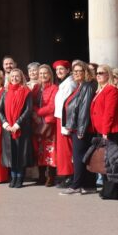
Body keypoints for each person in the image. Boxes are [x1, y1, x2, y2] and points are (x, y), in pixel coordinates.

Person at [90, 64, 118, 199]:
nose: (98, 75)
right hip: (102, 130)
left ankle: (113, 191)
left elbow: (109, 112)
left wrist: (105, 131)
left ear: (108, 75)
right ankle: (107, 189)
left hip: (110, 130)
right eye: (97, 73)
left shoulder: (111, 89)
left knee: (113, 161)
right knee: (105, 161)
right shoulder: (100, 90)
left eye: (102, 72)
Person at [61, 60, 96, 195]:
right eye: (74, 71)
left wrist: (81, 130)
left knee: (78, 157)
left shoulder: (86, 86)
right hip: (76, 128)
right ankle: (87, 185)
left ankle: (76, 186)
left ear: (85, 72)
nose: (75, 74)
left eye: (78, 71)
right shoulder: (79, 86)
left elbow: (84, 110)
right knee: (82, 156)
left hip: (81, 129)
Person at [0, 68, 34, 188]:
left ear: (21, 78)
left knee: (21, 154)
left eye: (17, 76)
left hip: (22, 129)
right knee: (11, 154)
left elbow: (28, 110)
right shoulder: (5, 92)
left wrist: (17, 124)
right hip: (8, 129)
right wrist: (6, 124)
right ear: (9, 78)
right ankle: (13, 177)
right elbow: (0, 110)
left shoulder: (26, 91)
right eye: (12, 76)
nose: (14, 78)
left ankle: (20, 178)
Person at [34, 64, 58, 187]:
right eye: (41, 73)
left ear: (50, 75)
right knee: (40, 150)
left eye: (45, 73)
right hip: (37, 123)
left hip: (48, 124)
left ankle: (51, 176)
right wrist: (35, 115)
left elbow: (52, 107)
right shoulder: (36, 88)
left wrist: (38, 112)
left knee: (50, 151)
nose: (43, 75)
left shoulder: (54, 88)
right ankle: (41, 175)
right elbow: (31, 103)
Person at [53, 59, 75, 188]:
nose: (59, 72)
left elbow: (68, 106)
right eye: (57, 70)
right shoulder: (64, 83)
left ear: (68, 70)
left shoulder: (70, 84)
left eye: (61, 69)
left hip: (65, 121)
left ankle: (70, 176)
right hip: (60, 119)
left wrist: (66, 125)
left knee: (67, 151)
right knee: (63, 151)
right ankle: (65, 175)